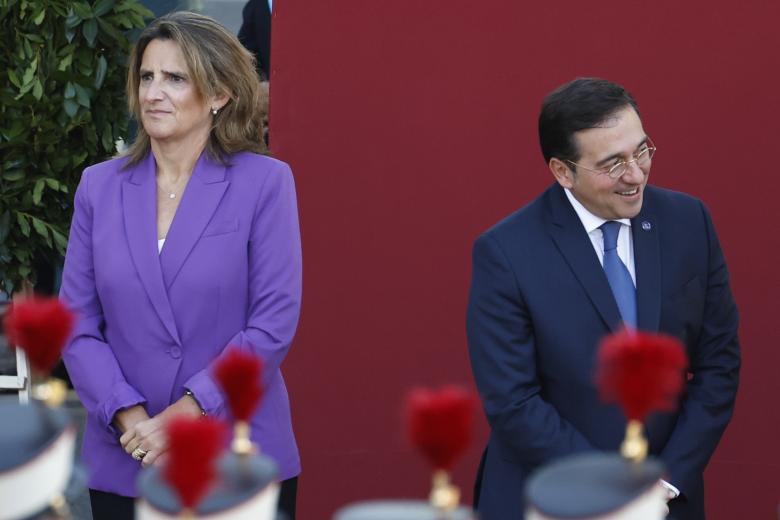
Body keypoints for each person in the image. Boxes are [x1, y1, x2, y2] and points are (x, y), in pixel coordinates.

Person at [59, 12, 302, 520]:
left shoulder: (265, 183)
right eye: (146, 77)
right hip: (129, 453)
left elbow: (272, 323)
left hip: (236, 453)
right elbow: (77, 323)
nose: (153, 93)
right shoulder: (98, 187)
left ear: (218, 95)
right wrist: (128, 416)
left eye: (174, 78)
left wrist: (185, 414)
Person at [466, 78, 740, 520]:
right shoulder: (507, 253)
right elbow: (513, 401)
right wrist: (611, 490)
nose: (635, 174)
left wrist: (666, 481)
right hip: (551, 498)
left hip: (666, 500)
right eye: (612, 164)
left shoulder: (690, 223)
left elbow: (719, 364)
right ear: (562, 171)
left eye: (642, 150)